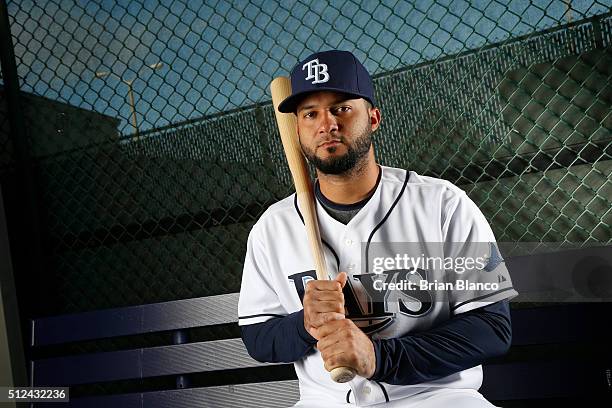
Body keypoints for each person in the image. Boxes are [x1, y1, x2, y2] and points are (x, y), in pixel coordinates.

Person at [238, 50, 518, 407]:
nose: (327, 124)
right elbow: (258, 335)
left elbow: (492, 328)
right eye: (311, 114)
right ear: (298, 132)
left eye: (341, 108)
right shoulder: (272, 228)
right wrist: (304, 323)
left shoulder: (444, 205)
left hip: (436, 397)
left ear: (373, 118)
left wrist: (380, 358)